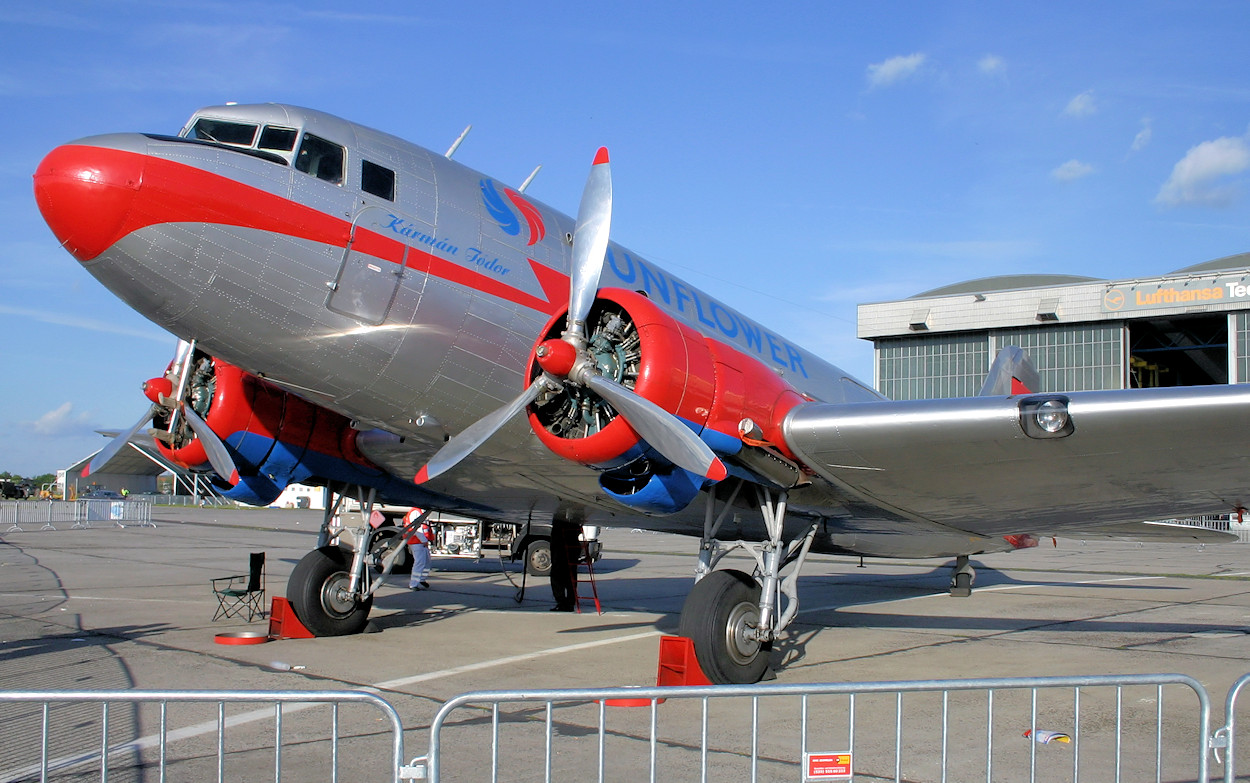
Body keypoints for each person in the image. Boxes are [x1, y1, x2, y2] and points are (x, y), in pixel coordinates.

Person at [548, 516, 582, 612]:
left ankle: (563, 602)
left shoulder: (559, 527)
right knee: (571, 575)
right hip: (571, 544)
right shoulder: (574, 521)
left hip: (561, 544)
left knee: (558, 574)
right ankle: (569, 601)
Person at [403, 507, 433, 590]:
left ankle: (421, 579)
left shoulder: (420, 511)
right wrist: (423, 540)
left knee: (427, 561)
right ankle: (413, 584)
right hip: (416, 541)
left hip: (420, 541)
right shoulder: (416, 512)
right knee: (419, 562)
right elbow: (416, 528)